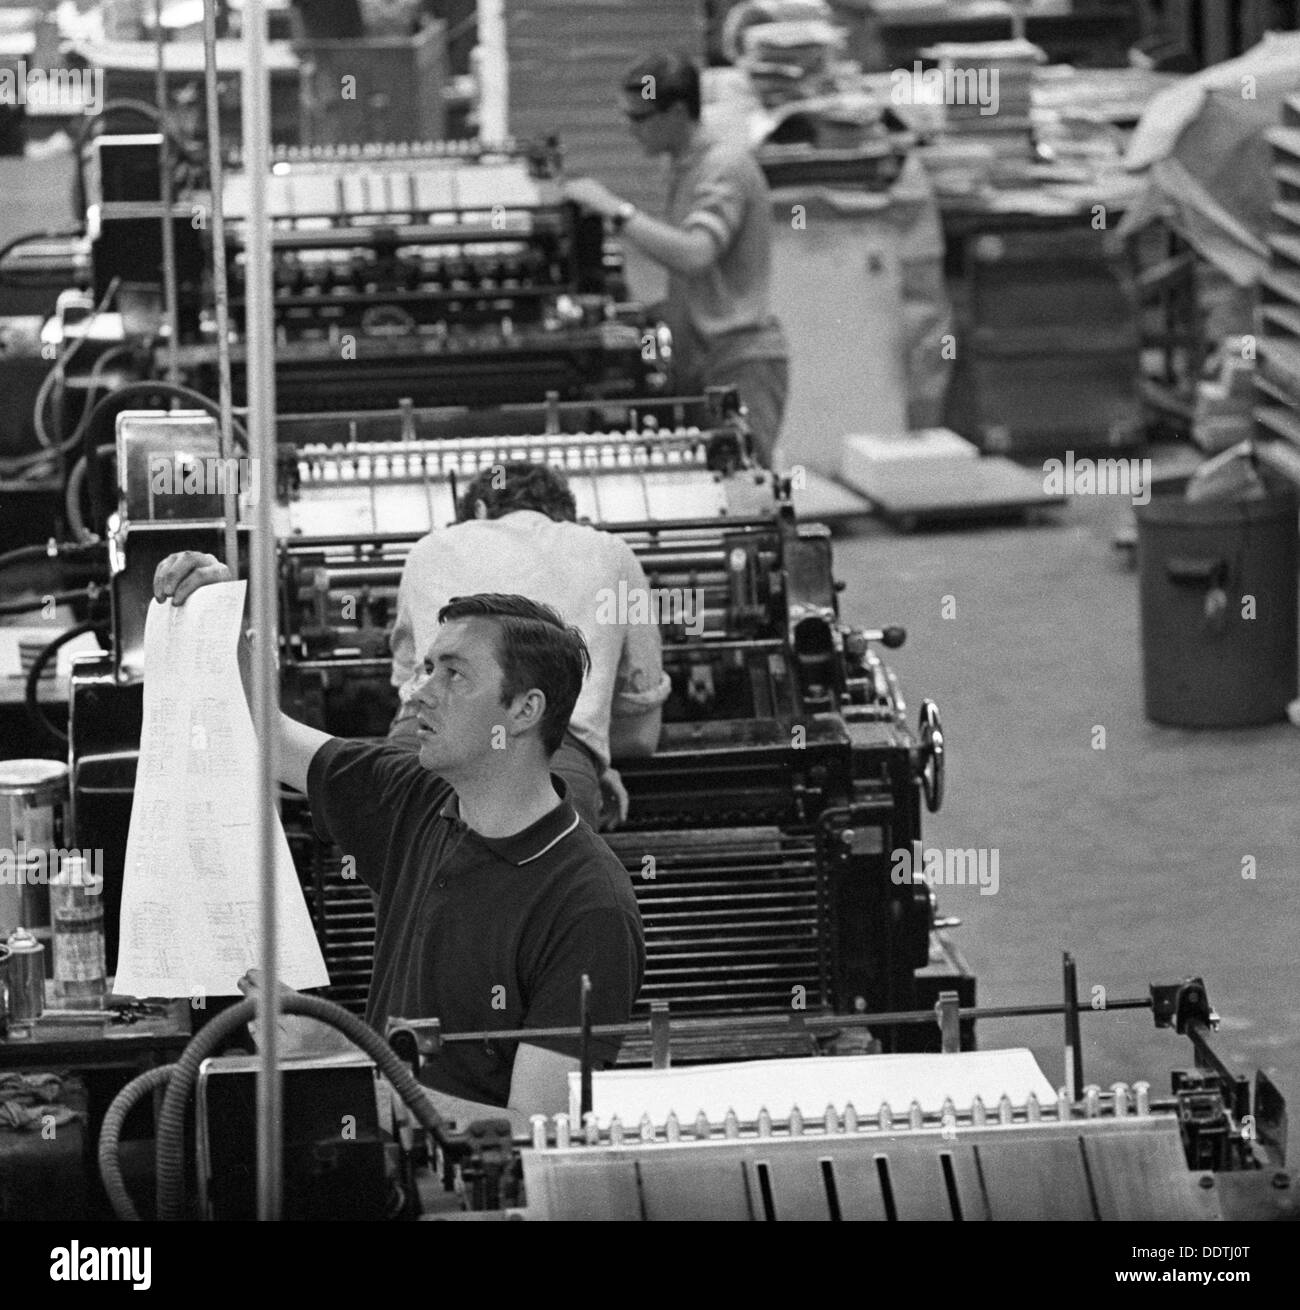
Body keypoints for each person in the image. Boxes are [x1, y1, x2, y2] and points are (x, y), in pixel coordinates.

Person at [153, 553, 646, 1135]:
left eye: (454, 675)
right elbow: (264, 730)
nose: (420, 694)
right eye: (427, 668)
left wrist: (347, 1062)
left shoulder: (588, 906)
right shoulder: (415, 795)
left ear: (522, 710)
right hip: (375, 1149)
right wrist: (220, 609)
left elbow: (536, 1135)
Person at [388, 461, 670, 830]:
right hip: (548, 757)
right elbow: (642, 735)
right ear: (567, 518)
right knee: (541, 883)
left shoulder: (427, 549)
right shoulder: (612, 553)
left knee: (404, 879)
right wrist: (585, 757)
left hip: (421, 751)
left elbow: (411, 696)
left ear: (480, 510)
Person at [562, 50, 789, 466]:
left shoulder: (725, 168)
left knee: (747, 496)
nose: (631, 131)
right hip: (702, 362)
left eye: (640, 118)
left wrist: (616, 210)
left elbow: (695, 254)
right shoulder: (683, 168)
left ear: (678, 112)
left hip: (739, 363)